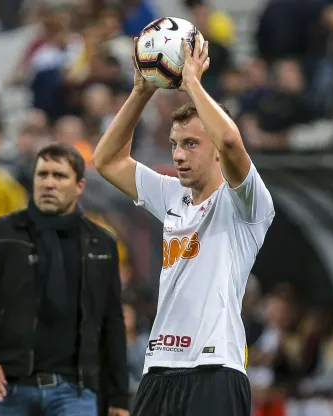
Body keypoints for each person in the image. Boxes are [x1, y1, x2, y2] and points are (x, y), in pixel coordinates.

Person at [92, 37, 275, 416]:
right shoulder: (172, 195)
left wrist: (192, 81)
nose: (177, 154)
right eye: (175, 144)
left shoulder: (246, 203)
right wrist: (142, 90)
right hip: (159, 369)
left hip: (214, 368)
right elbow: (106, 160)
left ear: (214, 152)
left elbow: (229, 138)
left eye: (191, 144)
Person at [0, 142, 131, 416]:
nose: (49, 183)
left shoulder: (101, 243)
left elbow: (112, 322)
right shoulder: (1, 234)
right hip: (11, 387)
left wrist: (119, 398)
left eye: (59, 176)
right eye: (42, 174)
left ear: (79, 186)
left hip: (75, 390)